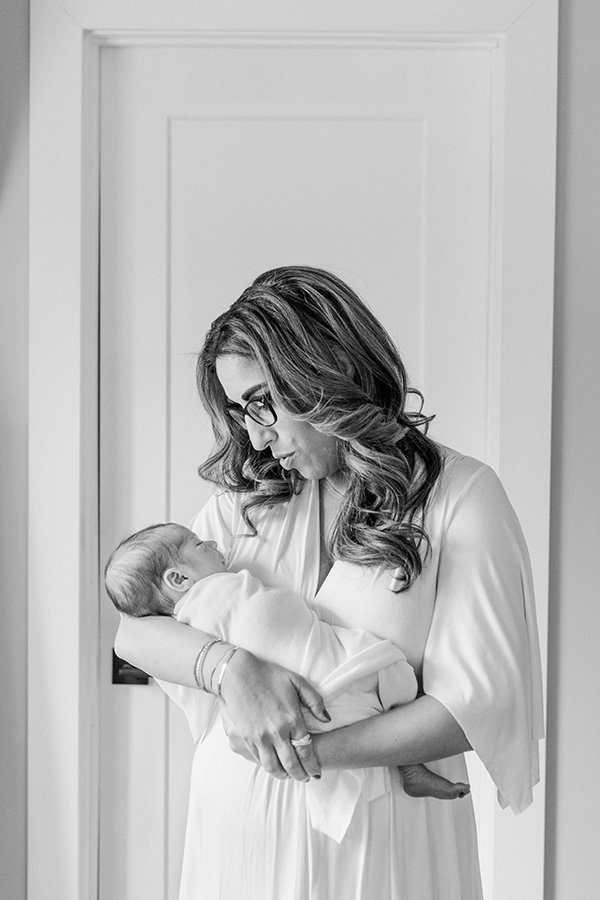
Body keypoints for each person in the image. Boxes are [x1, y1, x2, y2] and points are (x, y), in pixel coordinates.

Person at [115, 266, 544, 900]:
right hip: (235, 839)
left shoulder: (460, 498)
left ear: (322, 370)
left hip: (382, 846)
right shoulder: (248, 502)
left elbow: (474, 705)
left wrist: (306, 747)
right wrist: (229, 671)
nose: (256, 436)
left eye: (263, 402)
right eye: (239, 412)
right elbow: (134, 630)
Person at [105, 521, 470, 841]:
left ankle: (409, 765)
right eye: (201, 545)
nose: (214, 545)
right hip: (306, 704)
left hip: (296, 732)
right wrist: (234, 667)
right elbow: (264, 616)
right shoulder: (215, 593)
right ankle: (410, 765)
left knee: (379, 696)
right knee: (393, 678)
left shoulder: (184, 620)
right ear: (178, 579)